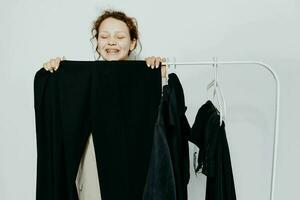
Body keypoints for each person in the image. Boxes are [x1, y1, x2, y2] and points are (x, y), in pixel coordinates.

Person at [42, 9, 167, 78]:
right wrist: (60, 73)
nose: (111, 42)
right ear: (97, 41)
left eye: (120, 37)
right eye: (104, 36)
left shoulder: (146, 76)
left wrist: (158, 76)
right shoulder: (82, 79)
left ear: (132, 43)